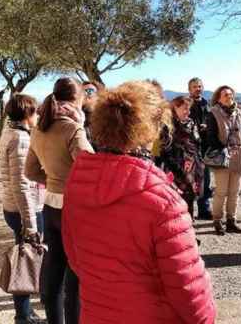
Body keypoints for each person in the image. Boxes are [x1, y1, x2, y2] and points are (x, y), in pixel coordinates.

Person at [62, 81, 216, 324]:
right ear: (152, 129)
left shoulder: (78, 183)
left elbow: (75, 258)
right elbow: (189, 291)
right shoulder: (163, 200)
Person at [25, 77, 93, 324]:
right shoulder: (73, 129)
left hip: (50, 206)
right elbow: (90, 168)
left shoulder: (40, 128)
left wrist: (54, 178)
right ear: (77, 99)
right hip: (73, 208)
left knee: (54, 272)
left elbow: (30, 171)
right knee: (74, 278)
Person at [0, 93, 46, 324]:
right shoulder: (21, 139)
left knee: (25, 256)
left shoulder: (11, 133)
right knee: (25, 260)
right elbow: (22, 184)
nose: (37, 116)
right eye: (35, 111)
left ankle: (25, 312)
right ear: (27, 114)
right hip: (23, 209)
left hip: (12, 207)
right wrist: (31, 223)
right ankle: (23, 314)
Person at [205, 85, 241, 235]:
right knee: (221, 191)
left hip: (239, 156)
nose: (229, 97)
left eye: (230, 94)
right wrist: (225, 149)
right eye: (225, 95)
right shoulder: (213, 113)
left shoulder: (239, 112)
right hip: (222, 157)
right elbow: (210, 137)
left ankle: (231, 220)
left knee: (234, 192)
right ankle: (217, 221)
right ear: (218, 98)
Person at [161, 96, 205, 220]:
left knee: (190, 200)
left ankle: (190, 232)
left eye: (189, 109)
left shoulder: (191, 123)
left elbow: (197, 143)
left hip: (192, 167)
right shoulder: (167, 126)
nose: (188, 112)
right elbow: (165, 151)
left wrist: (199, 163)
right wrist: (178, 170)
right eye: (185, 108)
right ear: (175, 107)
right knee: (175, 201)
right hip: (175, 168)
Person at [188, 77, 213, 220]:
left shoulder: (206, 104)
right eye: (194, 87)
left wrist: (207, 127)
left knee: (206, 180)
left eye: (199, 86)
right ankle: (188, 211)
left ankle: (204, 209)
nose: (198, 88)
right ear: (189, 89)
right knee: (189, 180)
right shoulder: (186, 104)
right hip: (190, 148)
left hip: (204, 147)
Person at [81, 80, 104, 147]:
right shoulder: (77, 117)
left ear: (98, 95)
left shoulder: (106, 117)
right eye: (82, 92)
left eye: (89, 91)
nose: (85, 94)